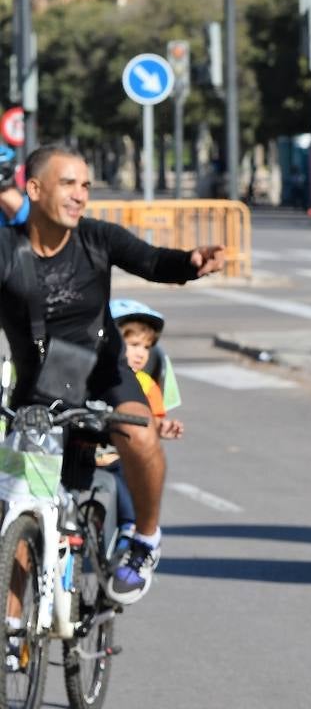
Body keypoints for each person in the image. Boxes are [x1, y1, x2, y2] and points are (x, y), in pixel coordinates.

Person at [0, 144, 224, 605]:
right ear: (35, 188)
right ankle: (13, 644)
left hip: (103, 371)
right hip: (40, 388)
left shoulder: (97, 238)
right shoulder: (6, 251)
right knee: (22, 513)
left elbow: (152, 260)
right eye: (68, 184)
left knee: (138, 435)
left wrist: (191, 262)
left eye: (85, 185)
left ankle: (144, 539)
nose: (80, 195)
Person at [100, 300, 185, 544]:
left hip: (118, 460)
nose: (140, 353)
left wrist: (163, 428)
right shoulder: (88, 373)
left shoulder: (146, 385)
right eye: (133, 344)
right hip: (84, 457)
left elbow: (153, 422)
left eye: (146, 347)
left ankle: (130, 538)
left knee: (129, 498)